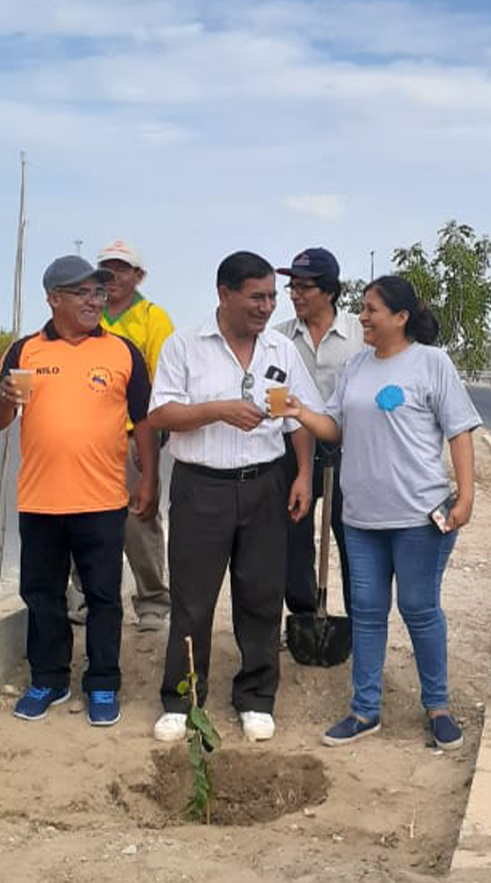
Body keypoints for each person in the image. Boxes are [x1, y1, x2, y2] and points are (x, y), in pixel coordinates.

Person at [283, 274, 482, 750]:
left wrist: (466, 495)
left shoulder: (432, 363)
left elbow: (459, 431)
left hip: (418, 516)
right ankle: (364, 709)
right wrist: (299, 412)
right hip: (361, 518)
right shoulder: (356, 366)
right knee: (368, 613)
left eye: (371, 310)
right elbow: (335, 427)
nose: (363, 318)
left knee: (419, 609)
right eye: (363, 308)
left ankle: (437, 707)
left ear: (401, 317)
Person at [148, 251, 321, 744]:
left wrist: (303, 474)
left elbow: (299, 418)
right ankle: (182, 699)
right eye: (256, 297)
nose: (267, 306)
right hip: (201, 487)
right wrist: (217, 410)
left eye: (271, 297)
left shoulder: (281, 350)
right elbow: (161, 415)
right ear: (224, 294)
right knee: (192, 598)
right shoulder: (185, 346)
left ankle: (256, 697)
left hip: (266, 484)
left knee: (261, 595)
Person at [0, 255, 157, 728]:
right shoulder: (24, 352)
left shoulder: (122, 352)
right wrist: (3, 399)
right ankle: (48, 679)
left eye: (98, 292)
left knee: (103, 597)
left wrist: (149, 478)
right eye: (83, 292)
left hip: (102, 501)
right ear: (53, 299)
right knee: (42, 594)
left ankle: (102, 683)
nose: (94, 300)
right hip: (40, 500)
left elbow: (144, 421)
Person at [66, 240, 174, 632]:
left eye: (121, 269)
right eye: (106, 268)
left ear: (138, 276)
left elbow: (164, 384)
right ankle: (88, 596)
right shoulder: (86, 316)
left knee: (138, 521)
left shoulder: (152, 318)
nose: (112, 276)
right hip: (85, 438)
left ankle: (152, 603)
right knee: (81, 519)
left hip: (130, 438)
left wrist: (154, 442)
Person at [275, 247, 364, 621]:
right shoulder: (278, 338)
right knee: (293, 537)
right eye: (291, 287)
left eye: (304, 287)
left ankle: (360, 621)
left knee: (354, 537)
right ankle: (305, 617)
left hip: (350, 450)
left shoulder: (360, 334)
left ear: (329, 291)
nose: (294, 295)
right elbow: (275, 396)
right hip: (293, 447)